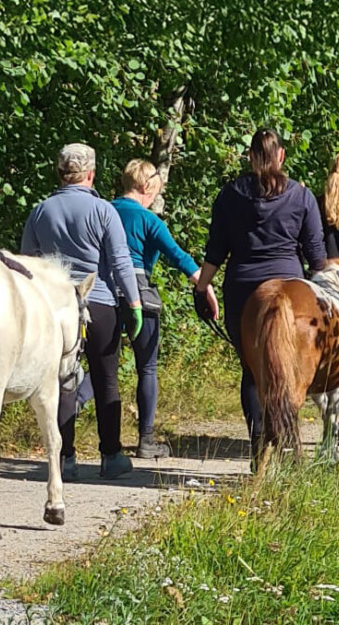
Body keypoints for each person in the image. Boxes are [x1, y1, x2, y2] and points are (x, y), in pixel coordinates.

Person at [192, 129, 326, 462]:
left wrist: (201, 287)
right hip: (293, 284)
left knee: (253, 372)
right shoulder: (302, 196)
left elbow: (215, 251)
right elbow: (316, 255)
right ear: (281, 156)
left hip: (242, 289)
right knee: (290, 372)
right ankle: (290, 449)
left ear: (251, 157)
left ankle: (259, 451)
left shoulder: (229, 195)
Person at [21, 143, 143, 481]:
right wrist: (133, 304)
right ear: (91, 174)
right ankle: (111, 454)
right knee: (105, 379)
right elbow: (121, 261)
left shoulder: (41, 211)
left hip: (55, 307)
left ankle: (65, 458)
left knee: (63, 380)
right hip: (99, 303)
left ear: (60, 173)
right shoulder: (104, 211)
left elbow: (28, 262)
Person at [110, 159, 218, 459]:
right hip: (140, 298)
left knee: (103, 367)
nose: (154, 197)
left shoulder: (104, 211)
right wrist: (206, 287)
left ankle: (71, 423)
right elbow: (179, 257)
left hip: (104, 294)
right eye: (154, 191)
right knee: (147, 367)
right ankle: (146, 440)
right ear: (146, 187)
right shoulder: (149, 221)